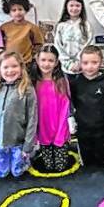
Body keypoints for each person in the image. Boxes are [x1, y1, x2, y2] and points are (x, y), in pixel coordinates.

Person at [0, 52, 38, 178]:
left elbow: (32, 118)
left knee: (17, 173)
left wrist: (28, 146)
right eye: (6, 67)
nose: (10, 70)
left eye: (14, 66)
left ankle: (26, 159)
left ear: (21, 68)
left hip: (18, 142)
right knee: (2, 174)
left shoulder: (27, 90)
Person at [30, 44, 72, 173]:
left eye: (50, 60)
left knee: (60, 167)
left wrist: (62, 131)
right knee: (48, 166)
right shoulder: (33, 81)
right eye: (43, 60)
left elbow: (65, 108)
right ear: (37, 60)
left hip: (59, 128)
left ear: (56, 62)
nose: (46, 64)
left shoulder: (60, 81)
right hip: (42, 129)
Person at [70, 45, 104, 167]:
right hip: (83, 130)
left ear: (102, 62)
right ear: (80, 63)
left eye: (94, 62)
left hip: (102, 130)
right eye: (85, 63)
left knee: (102, 164)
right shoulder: (75, 82)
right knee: (86, 164)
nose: (89, 66)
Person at [54, 0, 93, 79]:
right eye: (71, 5)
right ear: (66, 7)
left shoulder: (86, 25)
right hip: (65, 68)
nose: (74, 8)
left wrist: (80, 62)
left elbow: (89, 45)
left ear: (82, 7)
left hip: (83, 67)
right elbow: (58, 46)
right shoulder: (61, 26)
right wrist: (68, 64)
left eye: (77, 5)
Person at [0, 0, 45, 66]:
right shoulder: (4, 27)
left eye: (20, 9)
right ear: (9, 13)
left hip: (26, 63)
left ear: (26, 10)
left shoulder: (32, 27)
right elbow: (0, 44)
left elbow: (39, 44)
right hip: (9, 62)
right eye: (14, 10)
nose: (17, 12)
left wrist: (32, 56)